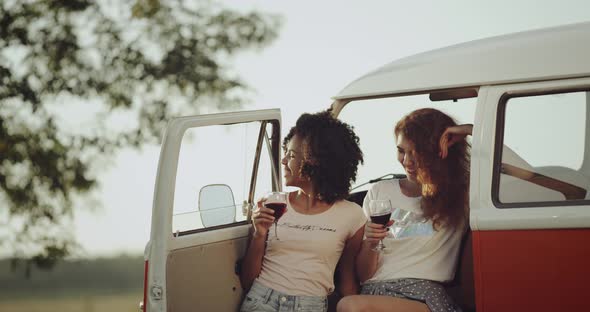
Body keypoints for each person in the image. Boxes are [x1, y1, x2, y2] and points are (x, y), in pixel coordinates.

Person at [337, 108, 469, 312]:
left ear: (439, 151)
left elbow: (529, 178)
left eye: (417, 152)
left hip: (423, 297)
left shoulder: (461, 193)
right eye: (401, 151)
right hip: (373, 294)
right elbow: (364, 276)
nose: (407, 161)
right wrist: (371, 243)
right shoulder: (380, 191)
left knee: (350, 306)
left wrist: (469, 131)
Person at [239, 110, 367, 312]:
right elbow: (248, 281)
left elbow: (347, 282)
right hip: (261, 301)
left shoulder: (353, 215)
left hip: (310, 306)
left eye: (290, 155)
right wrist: (259, 234)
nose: (283, 162)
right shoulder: (272, 204)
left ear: (315, 159)